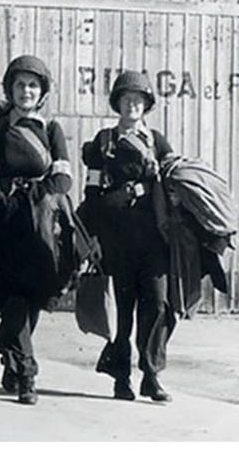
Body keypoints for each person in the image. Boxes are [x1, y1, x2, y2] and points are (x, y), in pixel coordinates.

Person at [0, 55, 72, 405]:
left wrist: (42, 195)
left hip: (42, 222)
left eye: (33, 85)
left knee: (33, 297)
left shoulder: (51, 130)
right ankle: (28, 372)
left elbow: (64, 176)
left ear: (42, 91)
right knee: (14, 294)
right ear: (10, 89)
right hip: (6, 219)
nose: (26, 91)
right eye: (20, 85)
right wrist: (2, 200)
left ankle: (12, 354)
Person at [78, 71, 175, 402]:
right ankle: (121, 377)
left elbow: (175, 186)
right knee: (120, 313)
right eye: (126, 98)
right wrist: (91, 237)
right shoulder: (102, 142)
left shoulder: (157, 142)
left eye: (139, 99)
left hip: (152, 241)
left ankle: (151, 374)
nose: (132, 104)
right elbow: (91, 193)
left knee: (159, 304)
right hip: (115, 239)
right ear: (117, 103)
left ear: (147, 105)